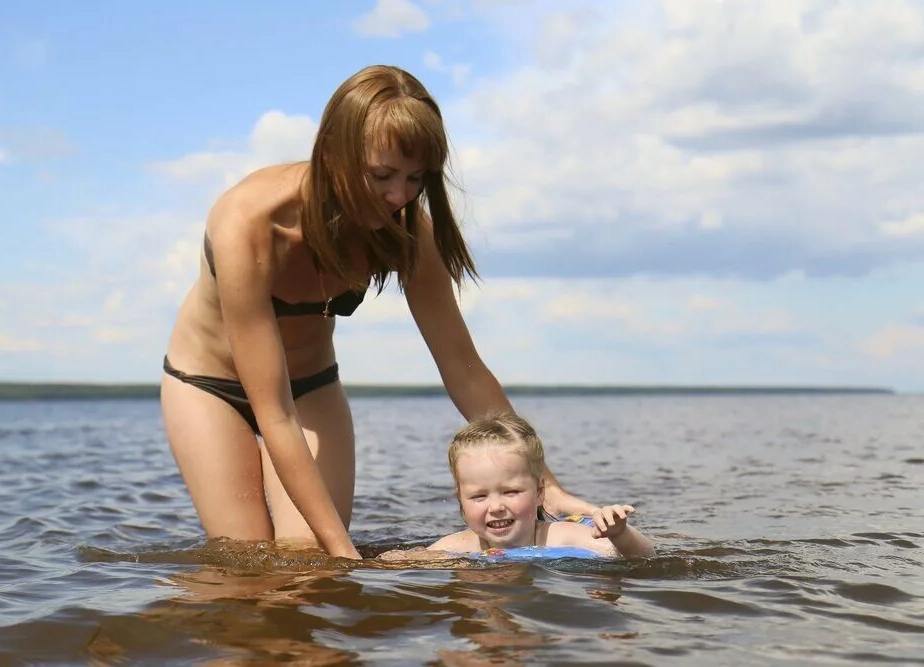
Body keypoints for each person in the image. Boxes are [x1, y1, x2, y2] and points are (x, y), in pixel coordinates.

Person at [160, 65, 598, 560]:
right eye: (381, 175)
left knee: (307, 563)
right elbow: (273, 412)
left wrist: (549, 487)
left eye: (415, 179)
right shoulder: (248, 222)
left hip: (310, 385)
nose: (398, 196)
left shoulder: (408, 226)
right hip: (209, 386)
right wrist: (345, 551)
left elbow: (463, 367)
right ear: (331, 154)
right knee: (247, 559)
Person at [420, 414, 653, 558]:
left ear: (540, 492)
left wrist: (620, 534)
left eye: (510, 492)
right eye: (479, 496)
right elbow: (396, 563)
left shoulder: (562, 537)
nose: (496, 506)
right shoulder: (455, 547)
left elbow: (642, 556)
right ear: (460, 499)